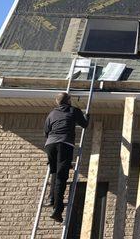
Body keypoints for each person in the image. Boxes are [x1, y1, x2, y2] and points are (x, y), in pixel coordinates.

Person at [44, 92, 88, 223]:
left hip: (50, 144)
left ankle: (52, 197)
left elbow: (46, 131)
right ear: (68, 101)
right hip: (64, 144)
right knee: (61, 178)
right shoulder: (73, 110)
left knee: (54, 172)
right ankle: (57, 210)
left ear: (57, 102)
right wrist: (87, 116)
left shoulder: (51, 114)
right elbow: (84, 124)